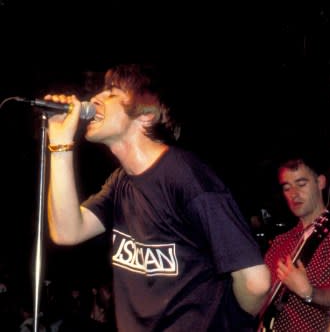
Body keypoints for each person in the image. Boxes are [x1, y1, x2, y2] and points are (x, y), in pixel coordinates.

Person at [44, 64, 271, 331]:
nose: (95, 98)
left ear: (146, 115)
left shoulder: (186, 176)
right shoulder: (120, 182)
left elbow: (256, 282)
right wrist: (60, 145)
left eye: (112, 92)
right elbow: (67, 231)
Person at [261, 154, 330, 331]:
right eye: (287, 188)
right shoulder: (280, 242)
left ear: (320, 182)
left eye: (301, 184)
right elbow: (261, 293)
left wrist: (309, 292)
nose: (294, 194)